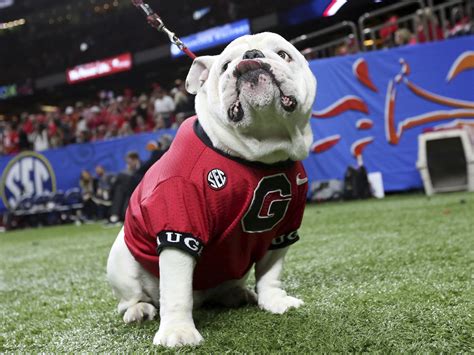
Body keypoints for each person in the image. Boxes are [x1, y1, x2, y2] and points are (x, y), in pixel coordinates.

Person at [106, 151, 142, 225]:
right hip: (128, 191)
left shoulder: (143, 166)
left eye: (129, 162)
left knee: (121, 179)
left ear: (135, 160)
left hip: (139, 190)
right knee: (119, 187)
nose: (128, 164)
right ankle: (115, 215)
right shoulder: (130, 169)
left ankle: (114, 214)